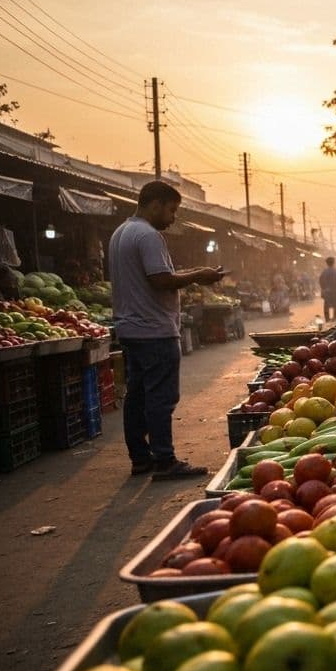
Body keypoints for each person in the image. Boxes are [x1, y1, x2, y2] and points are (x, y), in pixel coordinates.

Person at [109, 181, 227, 479]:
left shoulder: (121, 232)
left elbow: (160, 275)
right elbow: (160, 280)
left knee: (137, 396)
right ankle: (164, 460)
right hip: (155, 330)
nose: (173, 218)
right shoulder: (149, 235)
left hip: (130, 329)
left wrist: (196, 273)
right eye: (172, 210)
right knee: (161, 398)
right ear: (155, 204)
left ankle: (141, 458)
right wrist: (198, 275)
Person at [318, 256, 336, 321]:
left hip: (327, 291)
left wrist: (323, 288)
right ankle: (335, 316)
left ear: (327, 263)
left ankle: (327, 318)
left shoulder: (324, 271)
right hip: (334, 290)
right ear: (333, 262)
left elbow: (320, 280)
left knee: (326, 304)